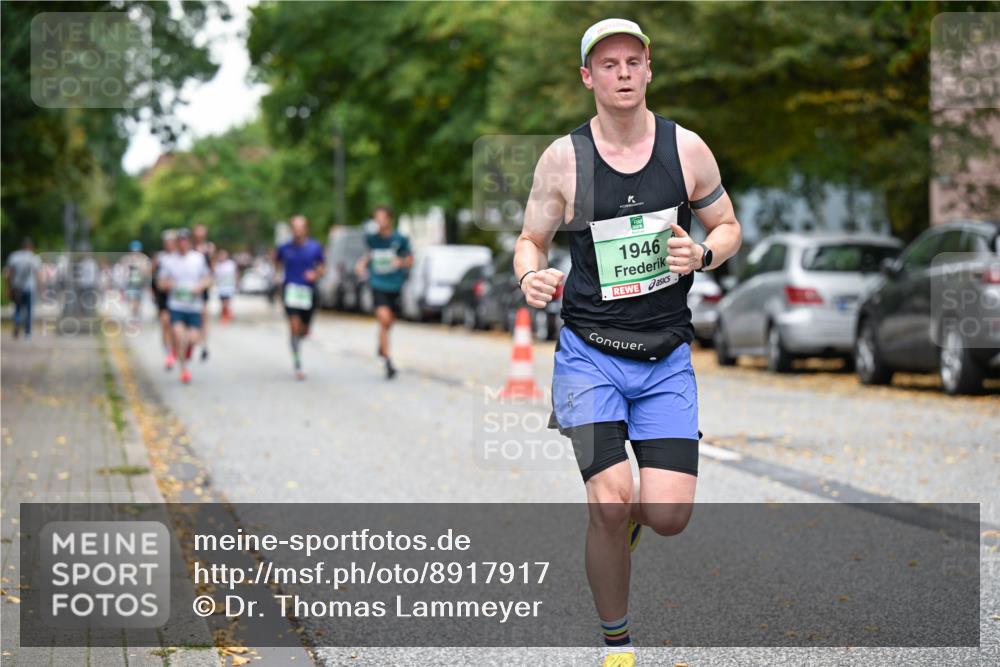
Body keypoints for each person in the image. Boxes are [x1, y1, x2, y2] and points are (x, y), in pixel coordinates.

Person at [513, 19, 742, 667]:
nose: (620, 72)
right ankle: (618, 645)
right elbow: (530, 237)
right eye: (606, 63)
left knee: (667, 514)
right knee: (609, 499)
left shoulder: (686, 149)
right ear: (587, 76)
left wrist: (700, 253)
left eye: (631, 61)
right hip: (588, 356)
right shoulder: (564, 159)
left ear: (648, 70)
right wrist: (530, 272)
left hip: (665, 357)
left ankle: (633, 523)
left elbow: (727, 226)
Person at [355, 206, 412, 379]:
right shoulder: (372, 239)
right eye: (376, 219)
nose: (379, 222)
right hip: (377, 283)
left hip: (395, 285)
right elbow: (369, 255)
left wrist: (400, 262)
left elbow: (410, 260)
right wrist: (362, 265)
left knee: (388, 323)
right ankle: (387, 360)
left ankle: (381, 344)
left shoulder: (400, 239)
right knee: (384, 317)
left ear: (389, 219)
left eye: (382, 218)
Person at [158, 229, 212, 384]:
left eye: (185, 240)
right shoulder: (168, 260)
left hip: (194, 306)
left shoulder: (198, 258)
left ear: (189, 242)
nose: (182, 243)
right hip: (176, 306)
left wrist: (200, 287)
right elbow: (160, 283)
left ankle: (185, 352)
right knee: (179, 336)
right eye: (180, 241)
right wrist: (167, 284)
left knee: (193, 339)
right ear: (177, 243)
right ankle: (183, 369)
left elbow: (208, 277)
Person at [275, 215, 325, 380]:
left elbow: (322, 268)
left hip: (308, 293)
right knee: (294, 327)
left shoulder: (314, 247)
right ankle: (297, 363)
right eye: (295, 227)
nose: (298, 230)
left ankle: (303, 333)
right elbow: (277, 263)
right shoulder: (284, 248)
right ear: (291, 230)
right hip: (290, 292)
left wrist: (315, 274)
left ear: (306, 229)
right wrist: (277, 277)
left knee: (303, 330)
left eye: (301, 227)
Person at [4, 237, 42, 339]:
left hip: (17, 287)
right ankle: (27, 333)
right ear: (30, 246)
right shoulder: (34, 258)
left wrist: (8, 287)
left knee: (17, 309)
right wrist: (41, 288)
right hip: (30, 288)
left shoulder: (14, 256)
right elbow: (38, 275)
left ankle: (17, 323)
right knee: (29, 311)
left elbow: (8, 274)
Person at [152, 230, 179, 369]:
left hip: (178, 296)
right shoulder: (160, 258)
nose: (169, 244)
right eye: (166, 242)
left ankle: (175, 349)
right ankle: (168, 352)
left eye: (171, 241)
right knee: (165, 323)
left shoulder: (181, 257)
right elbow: (154, 278)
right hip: (163, 296)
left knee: (176, 327)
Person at [192, 223, 215, 361]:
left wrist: (209, 280)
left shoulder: (209, 248)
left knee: (204, 316)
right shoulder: (189, 248)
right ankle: (192, 340)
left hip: (203, 285)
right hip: (191, 285)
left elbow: (212, 267)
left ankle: (204, 345)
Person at [121, 240, 149, 321]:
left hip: (140, 285)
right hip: (129, 284)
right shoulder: (126, 259)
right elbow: (123, 273)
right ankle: (133, 318)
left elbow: (147, 272)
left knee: (138, 303)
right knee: (131, 302)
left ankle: (135, 318)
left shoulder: (144, 259)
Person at [214, 248, 237, 323]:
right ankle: (226, 315)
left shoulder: (231, 264)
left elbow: (235, 274)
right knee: (222, 303)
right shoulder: (217, 265)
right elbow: (215, 275)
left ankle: (226, 316)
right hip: (221, 287)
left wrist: (236, 283)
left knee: (226, 303)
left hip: (229, 287)